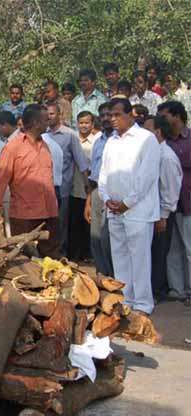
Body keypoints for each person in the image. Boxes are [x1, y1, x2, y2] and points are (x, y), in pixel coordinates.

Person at [98, 98, 161, 315]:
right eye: (110, 115)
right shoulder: (111, 141)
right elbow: (103, 175)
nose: (112, 119)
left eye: (117, 115)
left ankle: (143, 303)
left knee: (140, 257)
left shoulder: (146, 139)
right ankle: (125, 300)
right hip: (115, 209)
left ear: (130, 115)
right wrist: (106, 197)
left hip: (138, 210)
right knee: (120, 255)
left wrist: (127, 203)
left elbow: (147, 177)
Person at [0, 104, 60, 257]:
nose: (48, 122)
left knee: (52, 259)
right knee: (25, 260)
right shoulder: (12, 148)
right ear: (35, 123)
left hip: (49, 213)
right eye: (45, 120)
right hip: (24, 216)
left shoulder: (45, 146)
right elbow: (0, 180)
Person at [143, 115, 182, 300]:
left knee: (159, 253)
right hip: (153, 211)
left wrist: (163, 215)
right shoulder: (154, 153)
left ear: (157, 132)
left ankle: (157, 291)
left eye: (148, 130)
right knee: (152, 252)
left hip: (161, 214)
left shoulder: (166, 157)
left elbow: (170, 190)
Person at [45, 103, 90, 256]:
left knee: (61, 224)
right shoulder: (43, 135)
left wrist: (88, 188)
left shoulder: (70, 135)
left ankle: (61, 255)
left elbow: (81, 162)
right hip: (44, 189)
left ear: (59, 115)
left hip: (63, 189)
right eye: (47, 114)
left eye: (51, 114)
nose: (48, 117)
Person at [158, 101, 191, 303]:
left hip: (188, 201)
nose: (162, 120)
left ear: (177, 116)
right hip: (170, 204)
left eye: (165, 115)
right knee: (173, 249)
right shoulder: (164, 142)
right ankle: (177, 289)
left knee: (190, 249)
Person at [85, 102, 115, 276]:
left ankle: (113, 276)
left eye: (108, 115)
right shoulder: (98, 140)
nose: (105, 118)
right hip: (96, 192)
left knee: (107, 238)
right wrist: (88, 200)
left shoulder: (119, 140)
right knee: (95, 237)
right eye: (102, 115)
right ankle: (101, 276)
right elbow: (93, 172)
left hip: (111, 192)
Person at [69, 111, 100, 260]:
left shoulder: (96, 141)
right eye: (81, 122)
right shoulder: (72, 138)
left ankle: (89, 254)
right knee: (74, 223)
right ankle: (75, 255)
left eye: (87, 123)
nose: (84, 125)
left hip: (90, 188)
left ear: (92, 124)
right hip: (74, 187)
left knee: (88, 223)